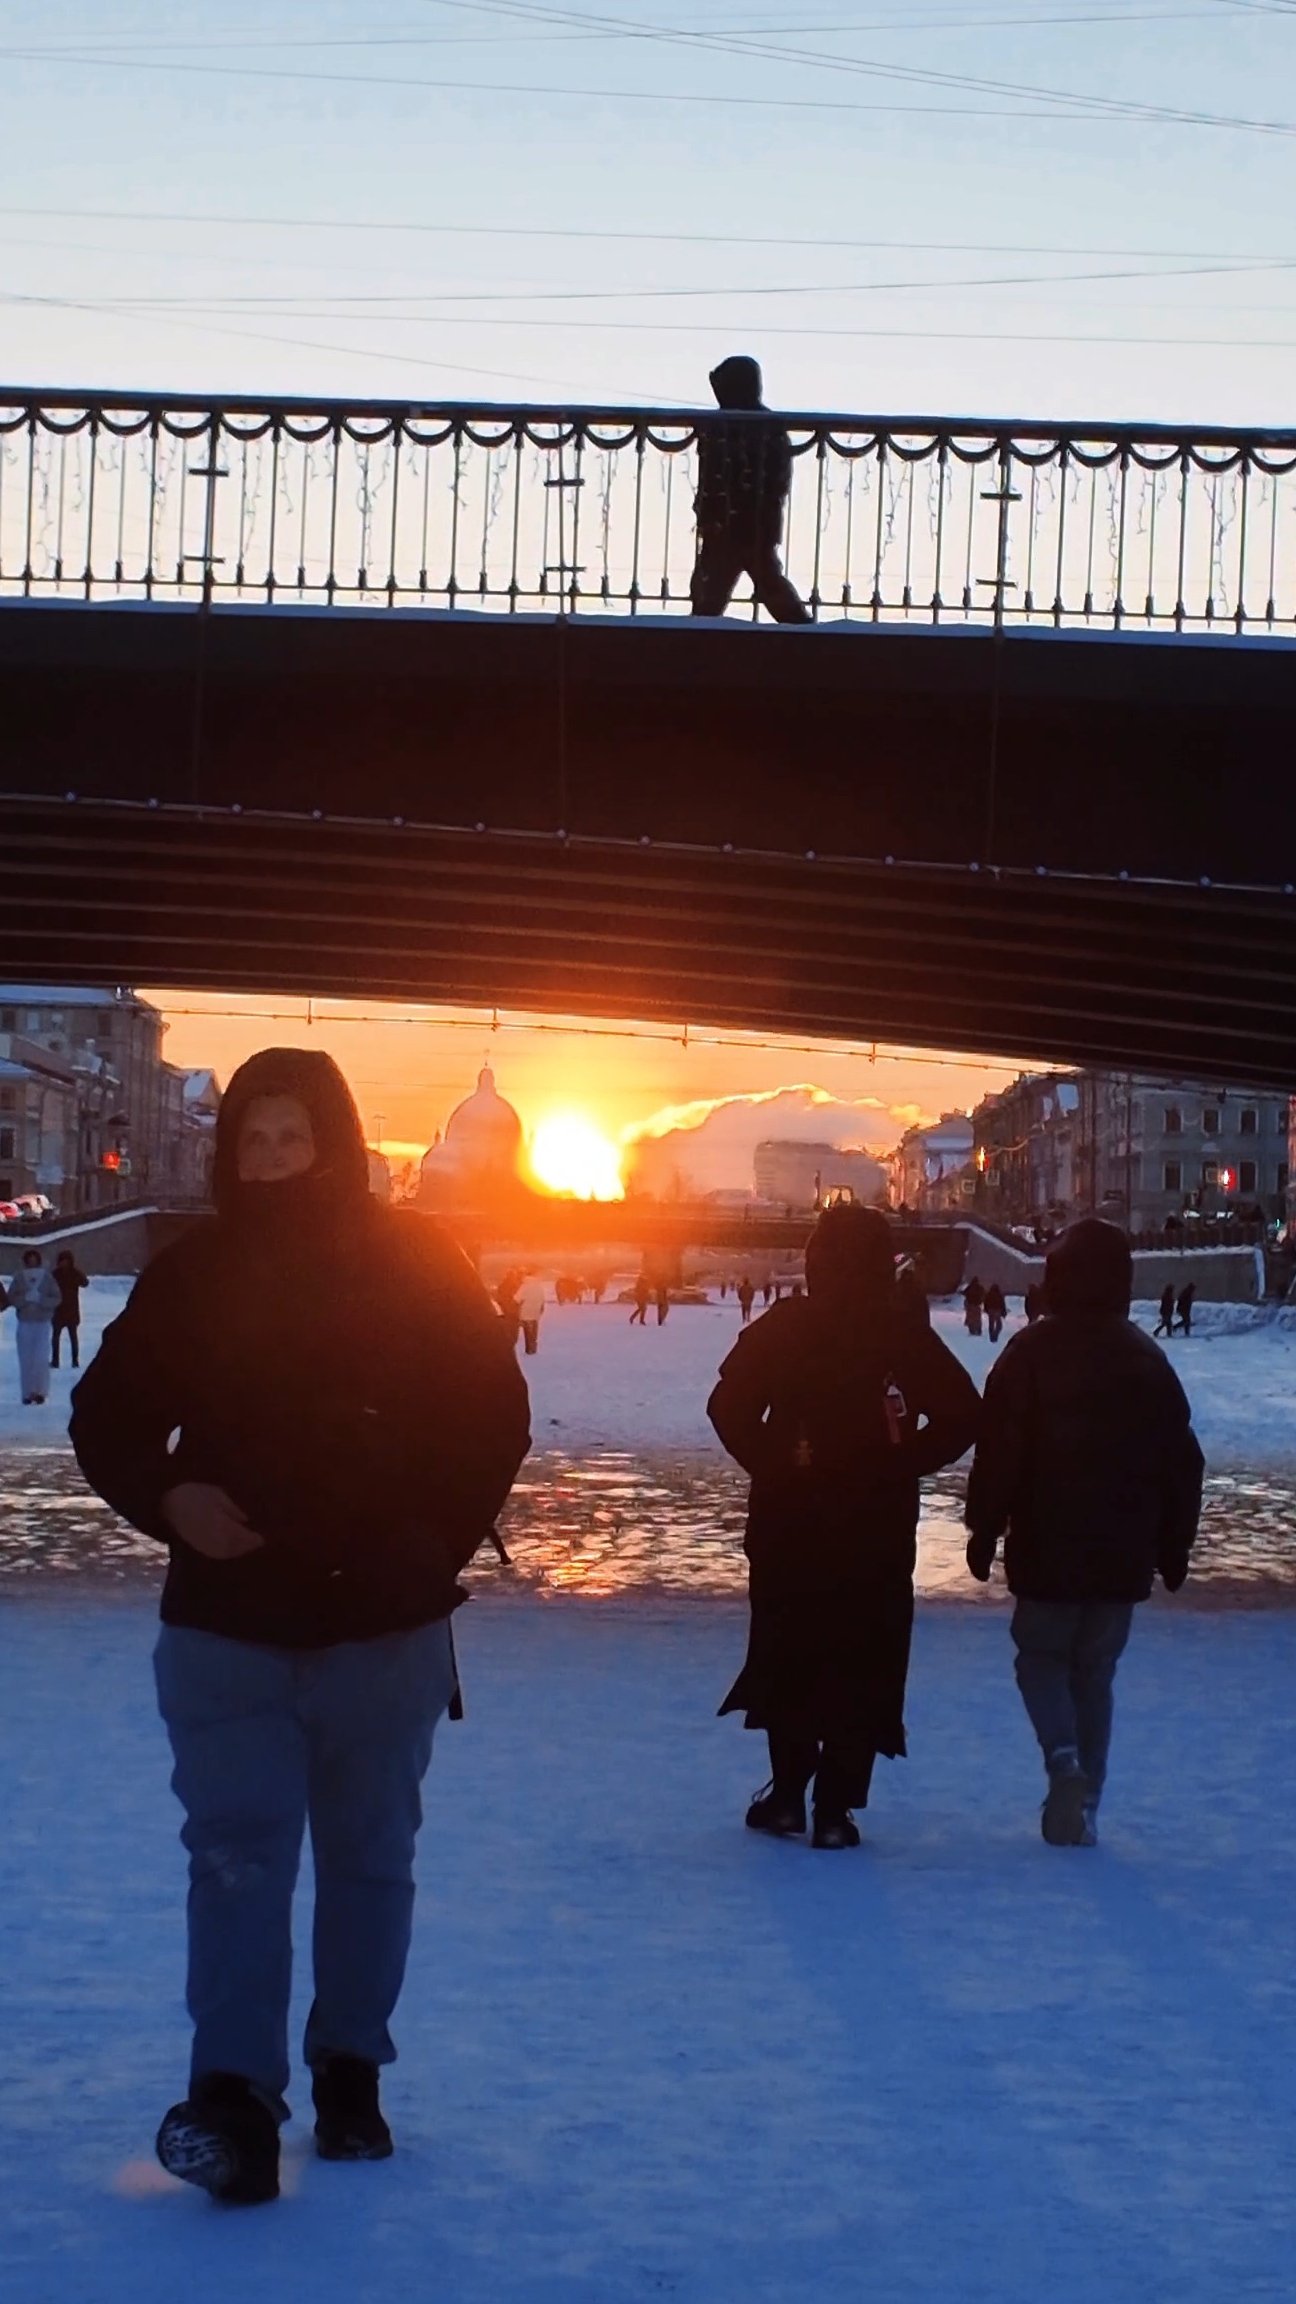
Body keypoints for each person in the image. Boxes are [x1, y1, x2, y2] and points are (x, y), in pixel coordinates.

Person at [69, 1049, 531, 2207]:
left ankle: (350, 2073)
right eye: (254, 1140)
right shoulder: (194, 1276)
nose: (273, 1161)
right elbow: (106, 1418)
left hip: (382, 1626)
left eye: (293, 1137)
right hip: (228, 1630)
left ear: (334, 1143)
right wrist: (169, 1497)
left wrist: (428, 1544)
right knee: (236, 1862)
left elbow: (493, 1417)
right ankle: (232, 2099)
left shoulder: (417, 1263)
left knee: (369, 1862)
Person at [709, 1204, 980, 1850]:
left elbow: (727, 1407)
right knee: (865, 1657)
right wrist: (900, 1463)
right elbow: (963, 1414)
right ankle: (835, 1807)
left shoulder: (785, 1327)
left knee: (790, 1651)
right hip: (875, 1529)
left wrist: (775, 1463)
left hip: (789, 1524)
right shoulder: (901, 1335)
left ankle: (787, 1795)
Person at [965, 1218, 1202, 1848]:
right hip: (1123, 1551)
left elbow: (1000, 1451)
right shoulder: (1147, 1359)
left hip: (1046, 1543)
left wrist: (985, 1527)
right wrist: (1174, 1543)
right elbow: (1182, 1461)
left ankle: (1063, 1758)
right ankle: (1086, 1802)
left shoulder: (1028, 1355)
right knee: (1095, 1674)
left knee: (1041, 1658)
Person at [689, 355, 811, 625]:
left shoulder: (756, 426)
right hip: (736, 522)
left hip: (747, 523)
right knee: (718, 586)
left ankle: (804, 632)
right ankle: (804, 632)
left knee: (728, 586)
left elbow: (773, 479)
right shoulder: (728, 424)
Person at [3, 1247, 61, 1403]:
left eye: (34, 1260)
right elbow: (11, 1298)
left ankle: (40, 1392)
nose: (32, 1263)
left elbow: (57, 1298)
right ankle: (27, 1393)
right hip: (25, 1322)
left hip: (42, 1322)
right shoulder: (19, 1277)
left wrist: (41, 1300)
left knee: (41, 1358)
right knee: (26, 1358)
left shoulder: (47, 1277)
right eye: (29, 1260)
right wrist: (24, 1300)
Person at [51, 1249, 89, 1369]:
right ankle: (55, 1360)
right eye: (62, 1261)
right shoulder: (55, 1274)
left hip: (72, 1310)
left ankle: (75, 1360)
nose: (64, 1263)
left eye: (66, 1261)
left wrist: (78, 1275)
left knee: (73, 1337)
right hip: (58, 1310)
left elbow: (85, 1283)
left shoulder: (74, 1273)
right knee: (55, 1337)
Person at [516, 1272, 545, 1356]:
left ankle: (529, 1349)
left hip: (526, 1311)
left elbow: (517, 1298)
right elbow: (542, 1298)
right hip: (536, 1311)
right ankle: (534, 1347)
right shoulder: (539, 1286)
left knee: (528, 1331)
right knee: (534, 1330)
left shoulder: (524, 1286)